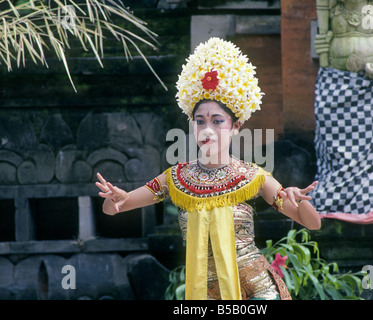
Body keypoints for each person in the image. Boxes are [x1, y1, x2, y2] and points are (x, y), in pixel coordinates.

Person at [95, 37, 321, 300]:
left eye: (217, 121)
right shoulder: (176, 178)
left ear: (236, 126)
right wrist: (117, 198)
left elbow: (311, 223)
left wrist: (298, 199)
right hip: (205, 292)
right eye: (200, 121)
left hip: (257, 288)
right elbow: (114, 210)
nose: (207, 130)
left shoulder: (254, 177)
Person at [311, 0, 373, 222]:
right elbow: (324, 34)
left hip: (372, 86)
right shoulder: (331, 5)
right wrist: (322, 44)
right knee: (332, 136)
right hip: (335, 83)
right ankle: (334, 195)